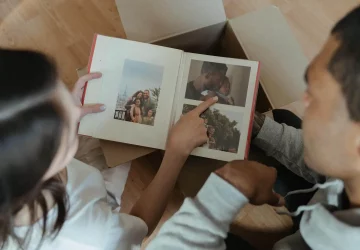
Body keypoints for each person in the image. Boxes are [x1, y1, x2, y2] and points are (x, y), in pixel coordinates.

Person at [146, 6, 360, 250]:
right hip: (321, 206)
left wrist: (223, 192)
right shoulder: (346, 161)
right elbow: (324, 159)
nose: (305, 99)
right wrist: (259, 127)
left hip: (309, 230)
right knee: (281, 119)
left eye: (315, 96)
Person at [0, 48, 219, 250]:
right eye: (63, 121)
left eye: (58, 90)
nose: (75, 109)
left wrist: (60, 112)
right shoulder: (94, 237)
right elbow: (140, 225)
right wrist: (176, 153)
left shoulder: (18, 178)